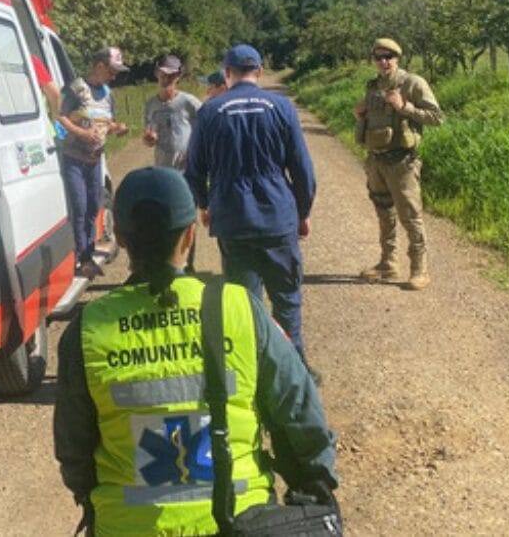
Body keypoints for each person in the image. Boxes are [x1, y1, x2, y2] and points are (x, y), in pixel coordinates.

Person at [53, 167, 338, 536]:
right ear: (190, 234)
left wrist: (93, 501)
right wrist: (314, 488)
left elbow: (73, 450)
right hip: (241, 524)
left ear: (120, 237)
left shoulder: (89, 327)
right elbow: (299, 411)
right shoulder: (238, 306)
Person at [185, 45, 320, 379]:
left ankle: (252, 373)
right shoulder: (281, 107)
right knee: (286, 299)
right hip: (278, 217)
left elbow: (193, 170)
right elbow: (302, 169)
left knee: (245, 303)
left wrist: (204, 205)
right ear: (259, 71)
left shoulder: (211, 110)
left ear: (227, 72)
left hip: (232, 218)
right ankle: (295, 370)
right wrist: (302, 211)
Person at [353, 38, 444, 291]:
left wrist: (405, 107)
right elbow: (371, 122)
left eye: (388, 56)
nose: (383, 62)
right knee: (384, 212)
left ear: (397, 58)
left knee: (410, 217)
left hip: (402, 162)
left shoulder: (412, 83)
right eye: (378, 57)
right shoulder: (372, 86)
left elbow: (437, 117)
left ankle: (419, 269)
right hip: (377, 161)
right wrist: (359, 117)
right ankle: (388, 263)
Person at [57, 46, 131, 279]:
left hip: (95, 159)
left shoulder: (107, 93)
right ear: (99, 66)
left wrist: (117, 128)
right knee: (79, 207)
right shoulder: (76, 89)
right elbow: (59, 117)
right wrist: (80, 132)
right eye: (112, 70)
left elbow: (107, 121)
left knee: (93, 206)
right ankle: (83, 257)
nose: (115, 75)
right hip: (74, 159)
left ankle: (88, 250)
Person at [142, 54, 203, 273]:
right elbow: (148, 135)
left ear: (179, 76)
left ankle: (189, 265)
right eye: (163, 73)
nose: (166, 78)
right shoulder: (150, 104)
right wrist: (148, 139)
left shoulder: (189, 102)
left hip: (186, 173)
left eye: (172, 74)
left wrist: (194, 152)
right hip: (162, 173)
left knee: (187, 219)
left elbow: (205, 130)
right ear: (157, 72)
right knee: (163, 220)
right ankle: (167, 264)